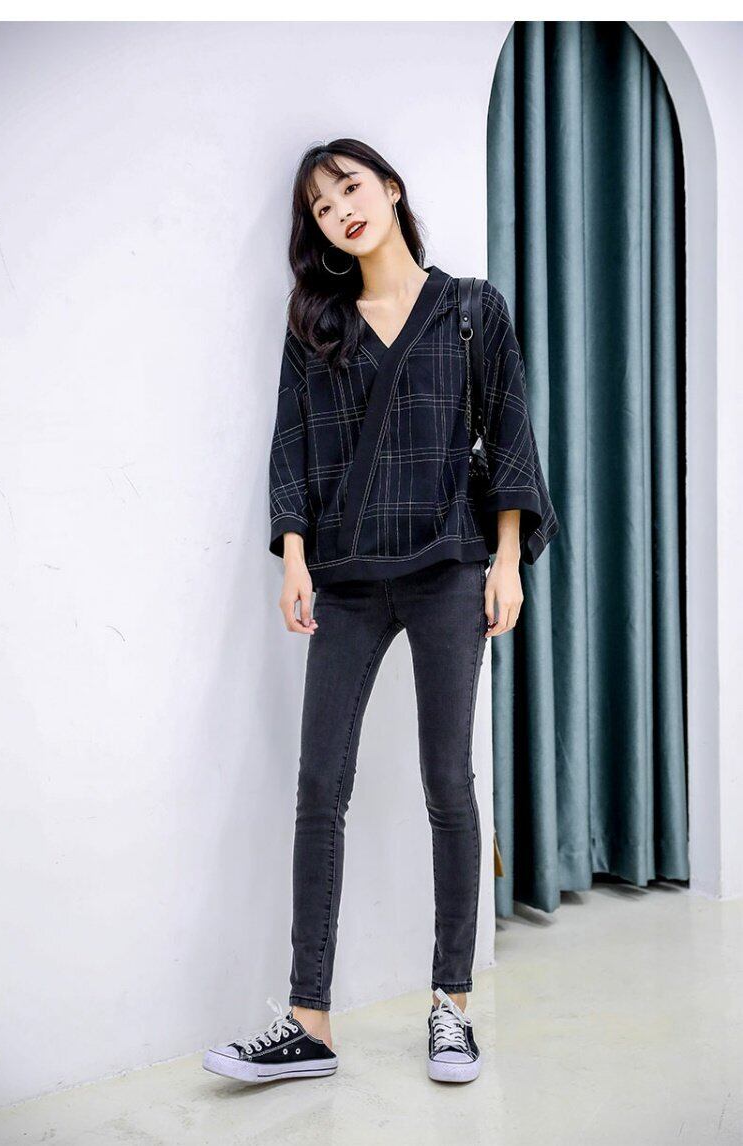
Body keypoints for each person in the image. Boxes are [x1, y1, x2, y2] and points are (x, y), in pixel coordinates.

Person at [203, 138, 558, 1088]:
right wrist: (293, 555)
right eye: (321, 208)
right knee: (320, 786)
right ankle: (309, 1023)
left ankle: (451, 1006)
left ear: (391, 189)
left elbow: (511, 434)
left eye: (350, 188)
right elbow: (290, 441)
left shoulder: (472, 309)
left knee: (448, 782)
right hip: (349, 579)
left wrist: (509, 561)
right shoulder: (317, 324)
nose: (340, 212)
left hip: (450, 567)